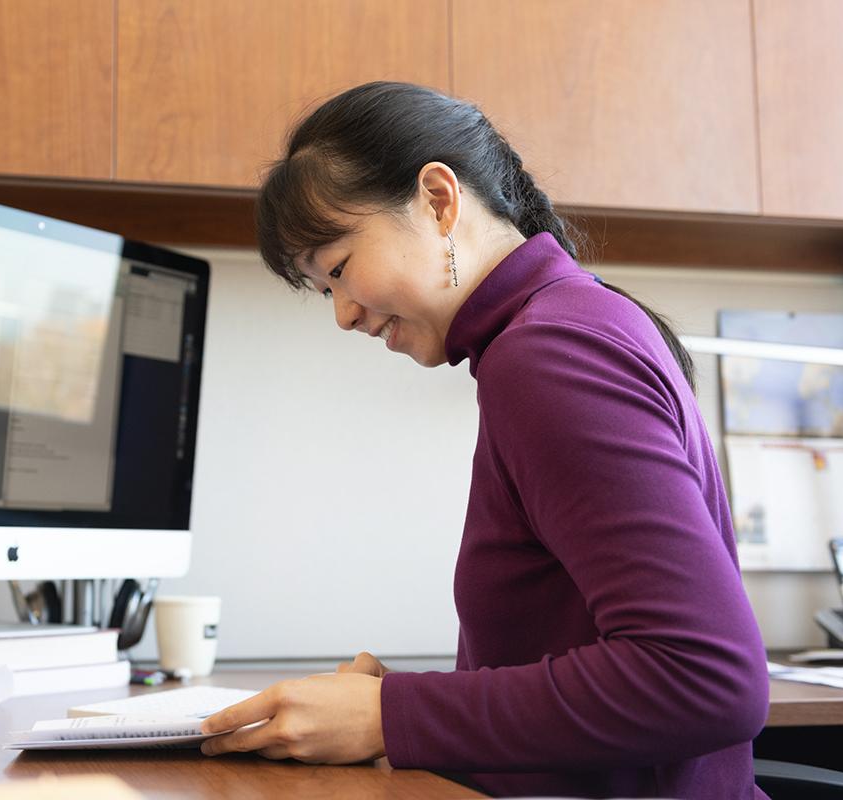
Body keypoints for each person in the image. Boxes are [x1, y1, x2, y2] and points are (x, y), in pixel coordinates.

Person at [197, 82, 770, 799]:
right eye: (323, 291)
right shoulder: (570, 323)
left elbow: (703, 679)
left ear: (439, 200)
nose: (342, 314)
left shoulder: (551, 353)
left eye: (339, 267)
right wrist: (395, 713)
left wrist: (392, 715)